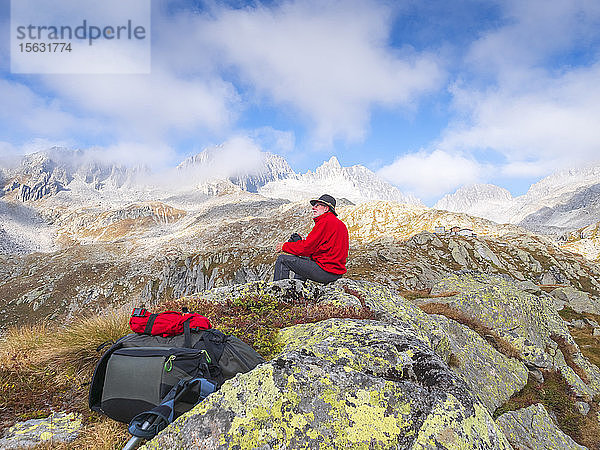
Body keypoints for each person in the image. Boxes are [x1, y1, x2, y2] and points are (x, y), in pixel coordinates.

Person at [273, 194, 349, 284]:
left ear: (326, 208)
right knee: (304, 257)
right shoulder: (339, 224)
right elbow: (320, 247)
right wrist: (300, 241)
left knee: (282, 260)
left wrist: (284, 246)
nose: (313, 208)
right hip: (335, 273)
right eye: (314, 205)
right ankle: (298, 288)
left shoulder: (325, 222)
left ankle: (280, 294)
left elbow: (306, 248)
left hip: (326, 272)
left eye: (317, 205)